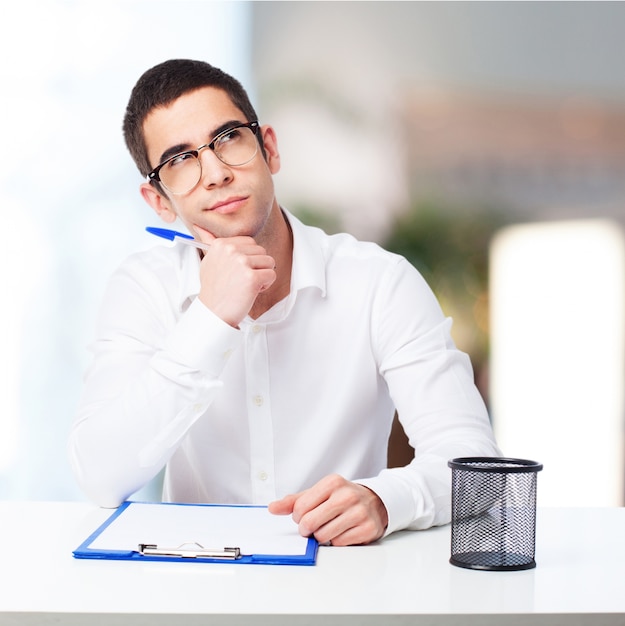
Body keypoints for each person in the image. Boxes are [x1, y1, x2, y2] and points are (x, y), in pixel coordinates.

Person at [68, 58, 500, 547]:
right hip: (196, 592)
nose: (214, 174)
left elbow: (475, 468)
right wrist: (210, 319)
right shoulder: (144, 288)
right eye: (179, 160)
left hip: (344, 585)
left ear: (268, 148)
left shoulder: (381, 283)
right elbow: (100, 474)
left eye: (228, 137)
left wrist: (385, 500)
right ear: (160, 201)